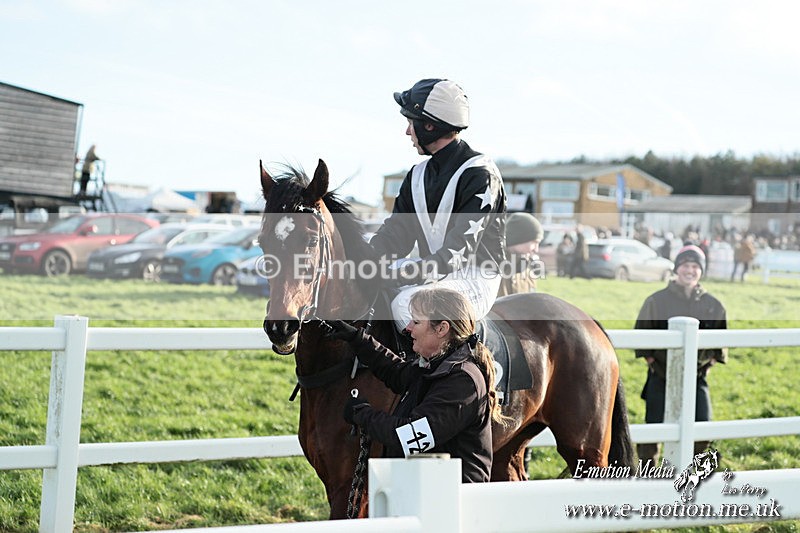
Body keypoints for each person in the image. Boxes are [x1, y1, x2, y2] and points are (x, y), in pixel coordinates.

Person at [324, 287, 505, 482]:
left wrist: (362, 414)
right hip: (428, 492)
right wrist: (357, 339)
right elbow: (398, 373)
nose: (408, 328)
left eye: (416, 321)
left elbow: (408, 438)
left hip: (449, 502)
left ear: (442, 329)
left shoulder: (462, 381)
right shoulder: (438, 365)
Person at [368, 78, 506, 331]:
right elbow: (396, 234)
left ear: (429, 126)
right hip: (433, 271)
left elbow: (457, 254)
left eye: (411, 123)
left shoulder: (480, 174)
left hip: (474, 277)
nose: (407, 131)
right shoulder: (417, 175)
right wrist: (362, 260)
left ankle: (438, 369)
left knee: (404, 305)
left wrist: (394, 275)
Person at [634, 245, 728, 464]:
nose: (690, 270)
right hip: (660, 375)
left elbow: (720, 344)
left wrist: (704, 366)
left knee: (703, 426)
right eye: (686, 265)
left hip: (697, 378)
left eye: (695, 266)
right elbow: (642, 337)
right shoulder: (656, 301)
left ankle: (696, 474)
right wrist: (654, 362)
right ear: (677, 268)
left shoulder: (714, 305)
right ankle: (650, 473)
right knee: (654, 428)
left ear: (701, 271)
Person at [497, 212, 543, 296]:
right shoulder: (491, 269)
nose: (536, 249)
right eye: (534, 242)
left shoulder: (528, 270)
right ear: (519, 239)